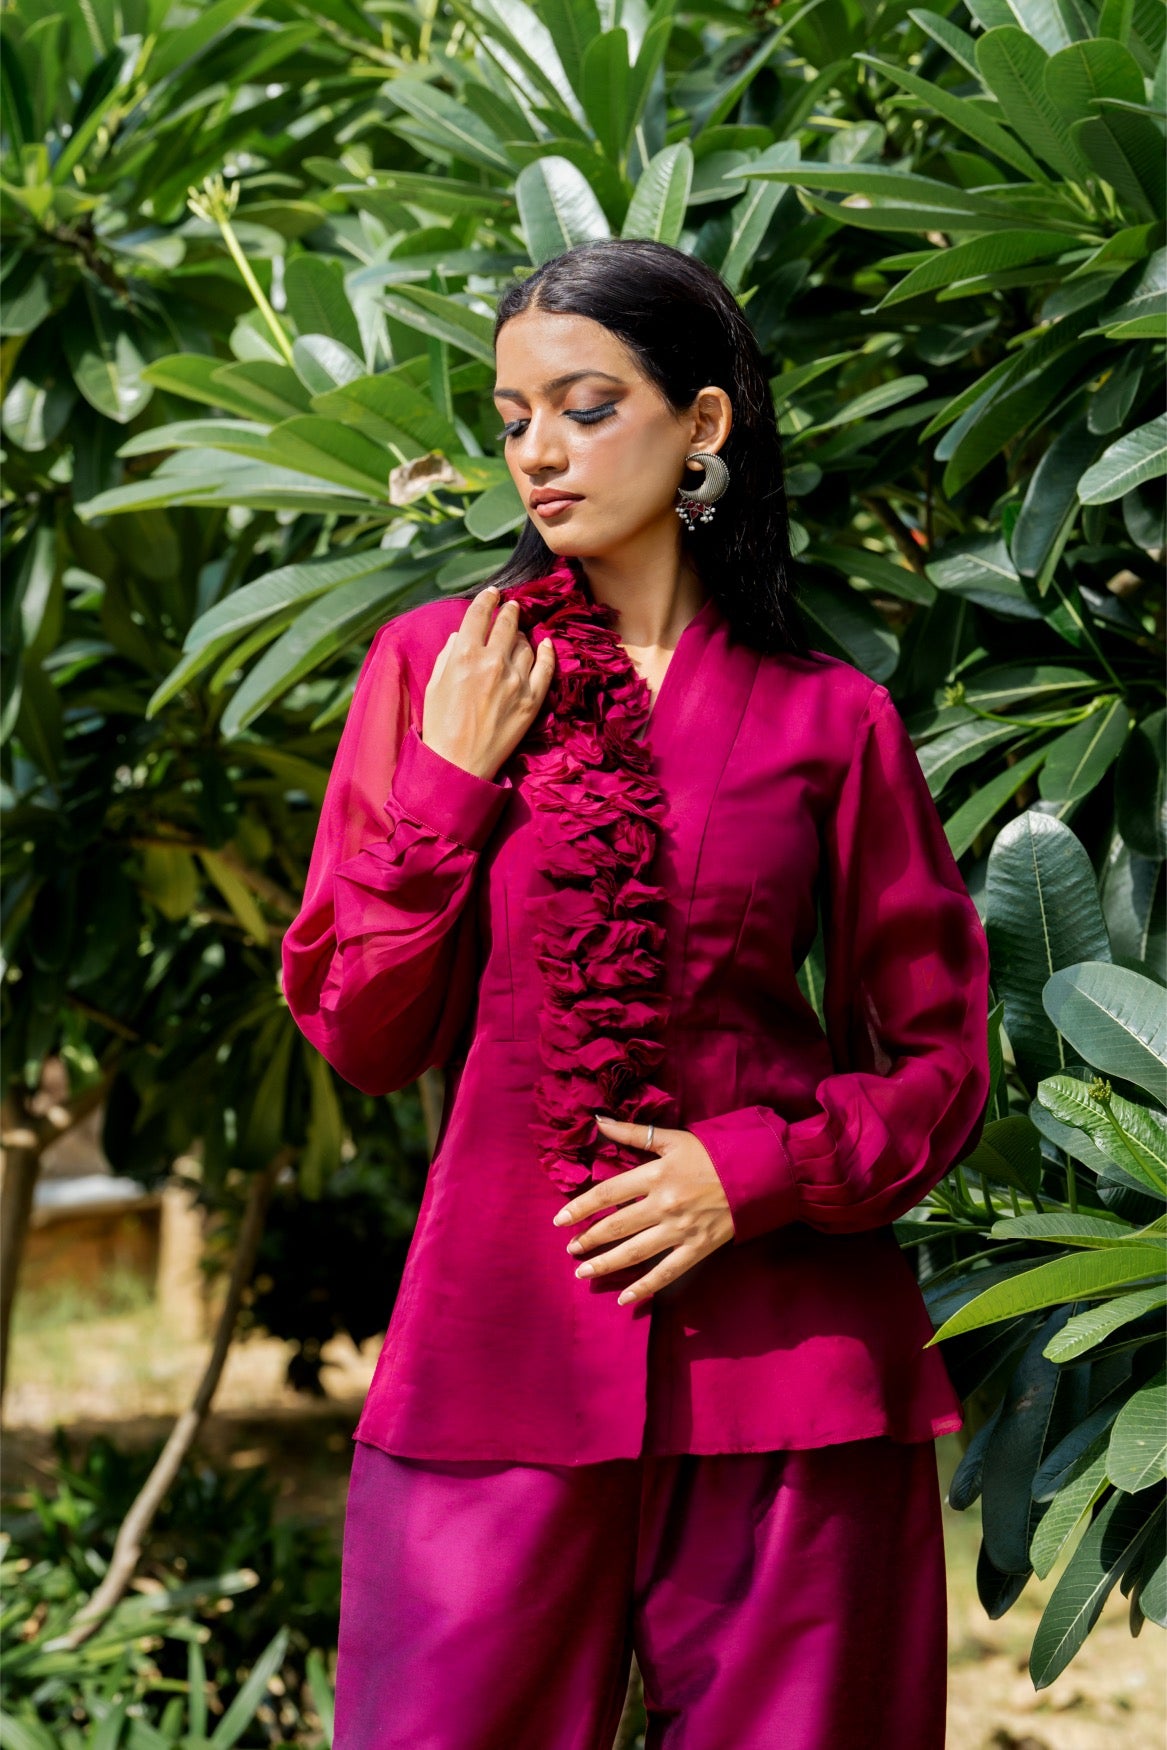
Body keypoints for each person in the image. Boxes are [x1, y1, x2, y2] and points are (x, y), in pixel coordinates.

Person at [281, 238, 991, 1750]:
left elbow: (939, 1058)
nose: (537, 452)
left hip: (789, 1373)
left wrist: (758, 1171)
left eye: (586, 407)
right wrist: (453, 783)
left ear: (703, 423)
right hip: (499, 1348)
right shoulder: (440, 669)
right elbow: (362, 1029)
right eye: (512, 418)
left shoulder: (834, 717)